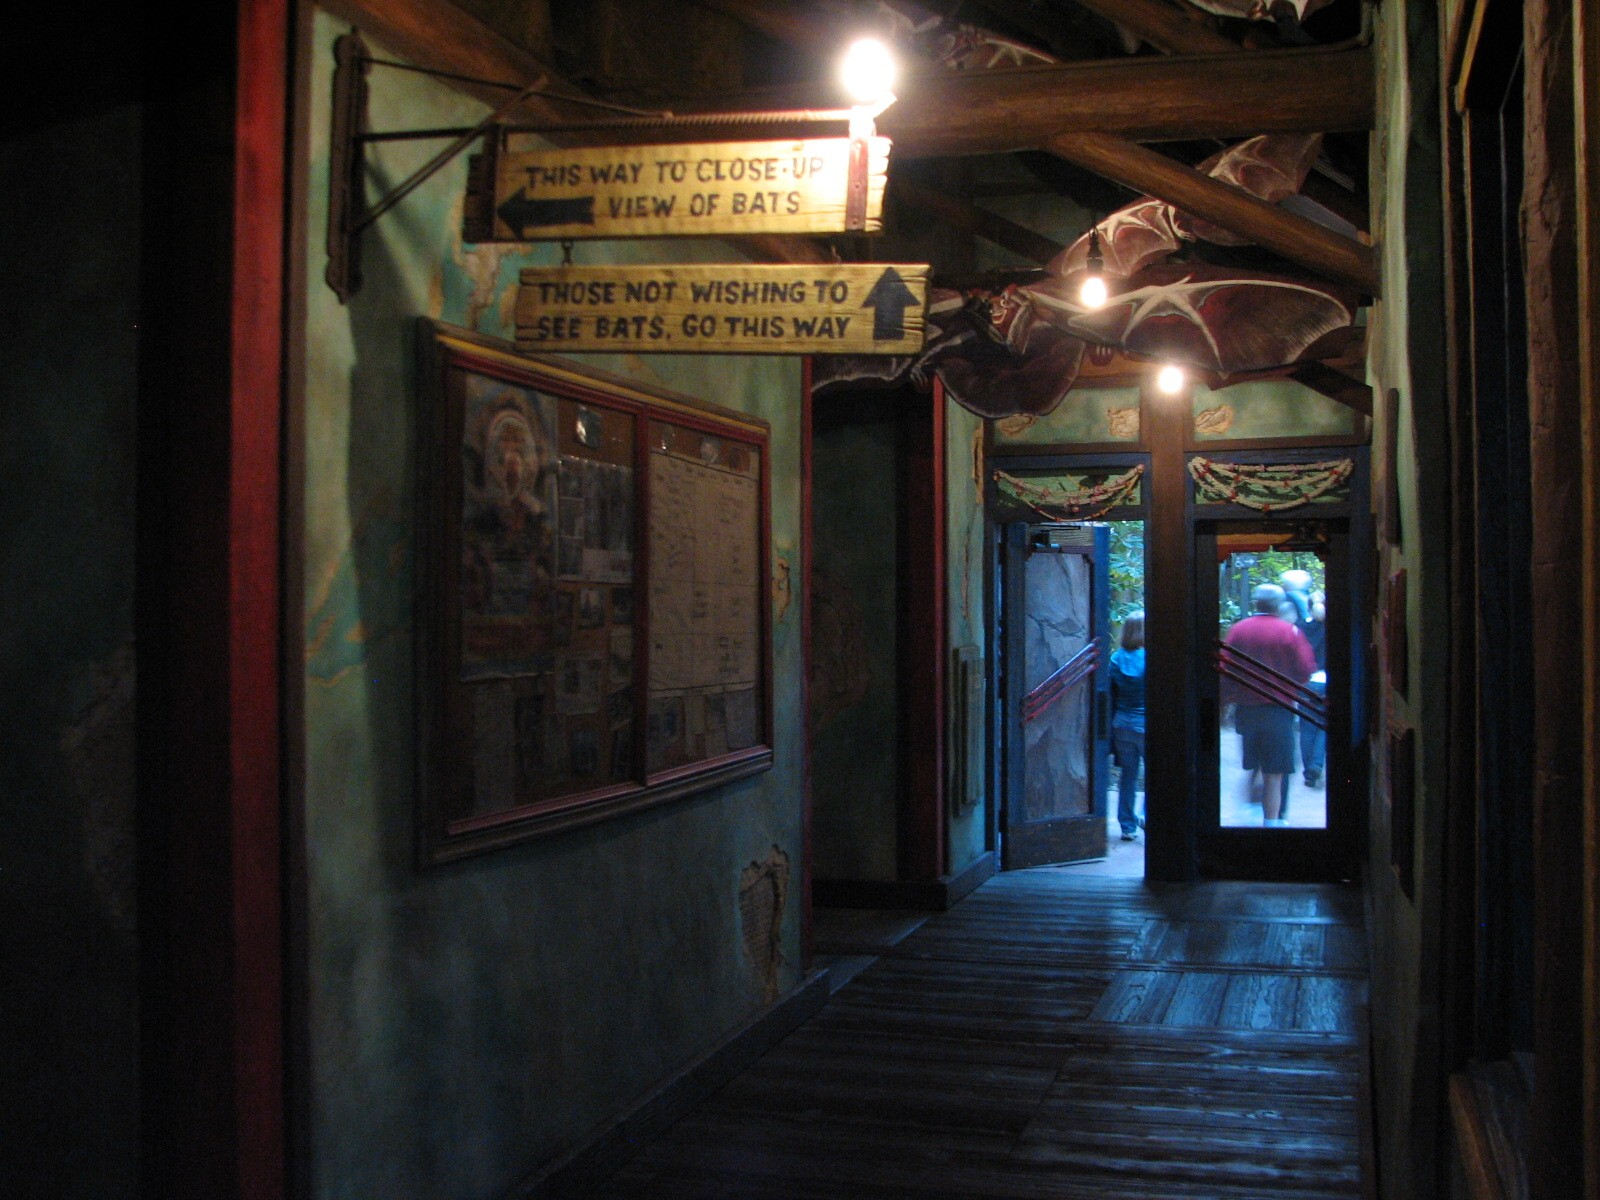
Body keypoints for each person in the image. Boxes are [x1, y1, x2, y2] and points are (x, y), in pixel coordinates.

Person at [1222, 584, 1317, 827]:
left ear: (1256, 603)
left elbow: (1225, 667)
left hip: (1247, 709)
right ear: (1279, 604)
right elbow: (1306, 669)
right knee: (1275, 773)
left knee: (1252, 764)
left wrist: (1227, 699)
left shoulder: (1238, 631)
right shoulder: (1289, 632)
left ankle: (1247, 812)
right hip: (1279, 709)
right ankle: (1271, 822)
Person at [1109, 612, 1147, 841]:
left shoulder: (1115, 659)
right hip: (1146, 724)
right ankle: (1146, 816)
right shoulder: (1152, 658)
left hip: (1122, 724)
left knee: (1128, 776)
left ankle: (1127, 826)